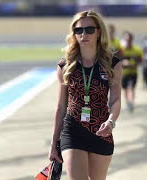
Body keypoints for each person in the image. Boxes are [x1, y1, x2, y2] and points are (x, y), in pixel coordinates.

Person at [49, 11, 122, 180]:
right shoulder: (65, 65)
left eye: (89, 29)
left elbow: (116, 100)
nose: (84, 34)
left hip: (101, 130)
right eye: (79, 30)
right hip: (72, 131)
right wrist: (54, 143)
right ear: (73, 34)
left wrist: (111, 122)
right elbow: (60, 107)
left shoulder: (112, 64)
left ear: (98, 32)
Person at [120, 31, 143, 112]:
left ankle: (131, 102)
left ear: (132, 40)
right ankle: (128, 102)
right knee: (125, 89)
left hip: (133, 73)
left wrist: (134, 63)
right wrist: (123, 63)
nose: (128, 41)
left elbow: (140, 60)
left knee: (131, 88)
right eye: (126, 39)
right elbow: (117, 61)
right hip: (123, 73)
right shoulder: (121, 50)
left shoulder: (137, 49)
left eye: (129, 39)